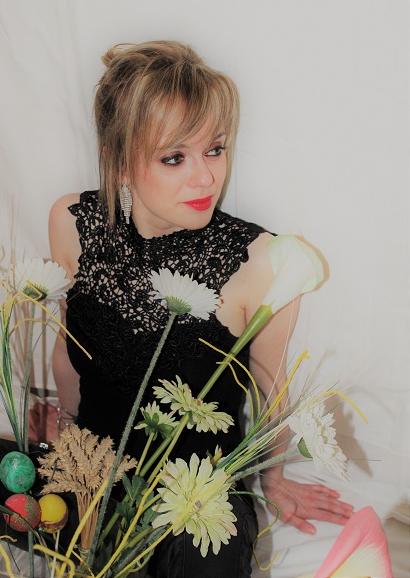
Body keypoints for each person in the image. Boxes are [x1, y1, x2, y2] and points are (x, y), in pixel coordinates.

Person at [34, 41, 354, 577]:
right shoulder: (71, 221)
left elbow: (270, 391)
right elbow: (69, 345)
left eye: (215, 149)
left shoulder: (262, 263)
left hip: (201, 499)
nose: (205, 177)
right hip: (94, 472)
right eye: (174, 157)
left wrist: (273, 480)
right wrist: (66, 431)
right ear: (119, 161)